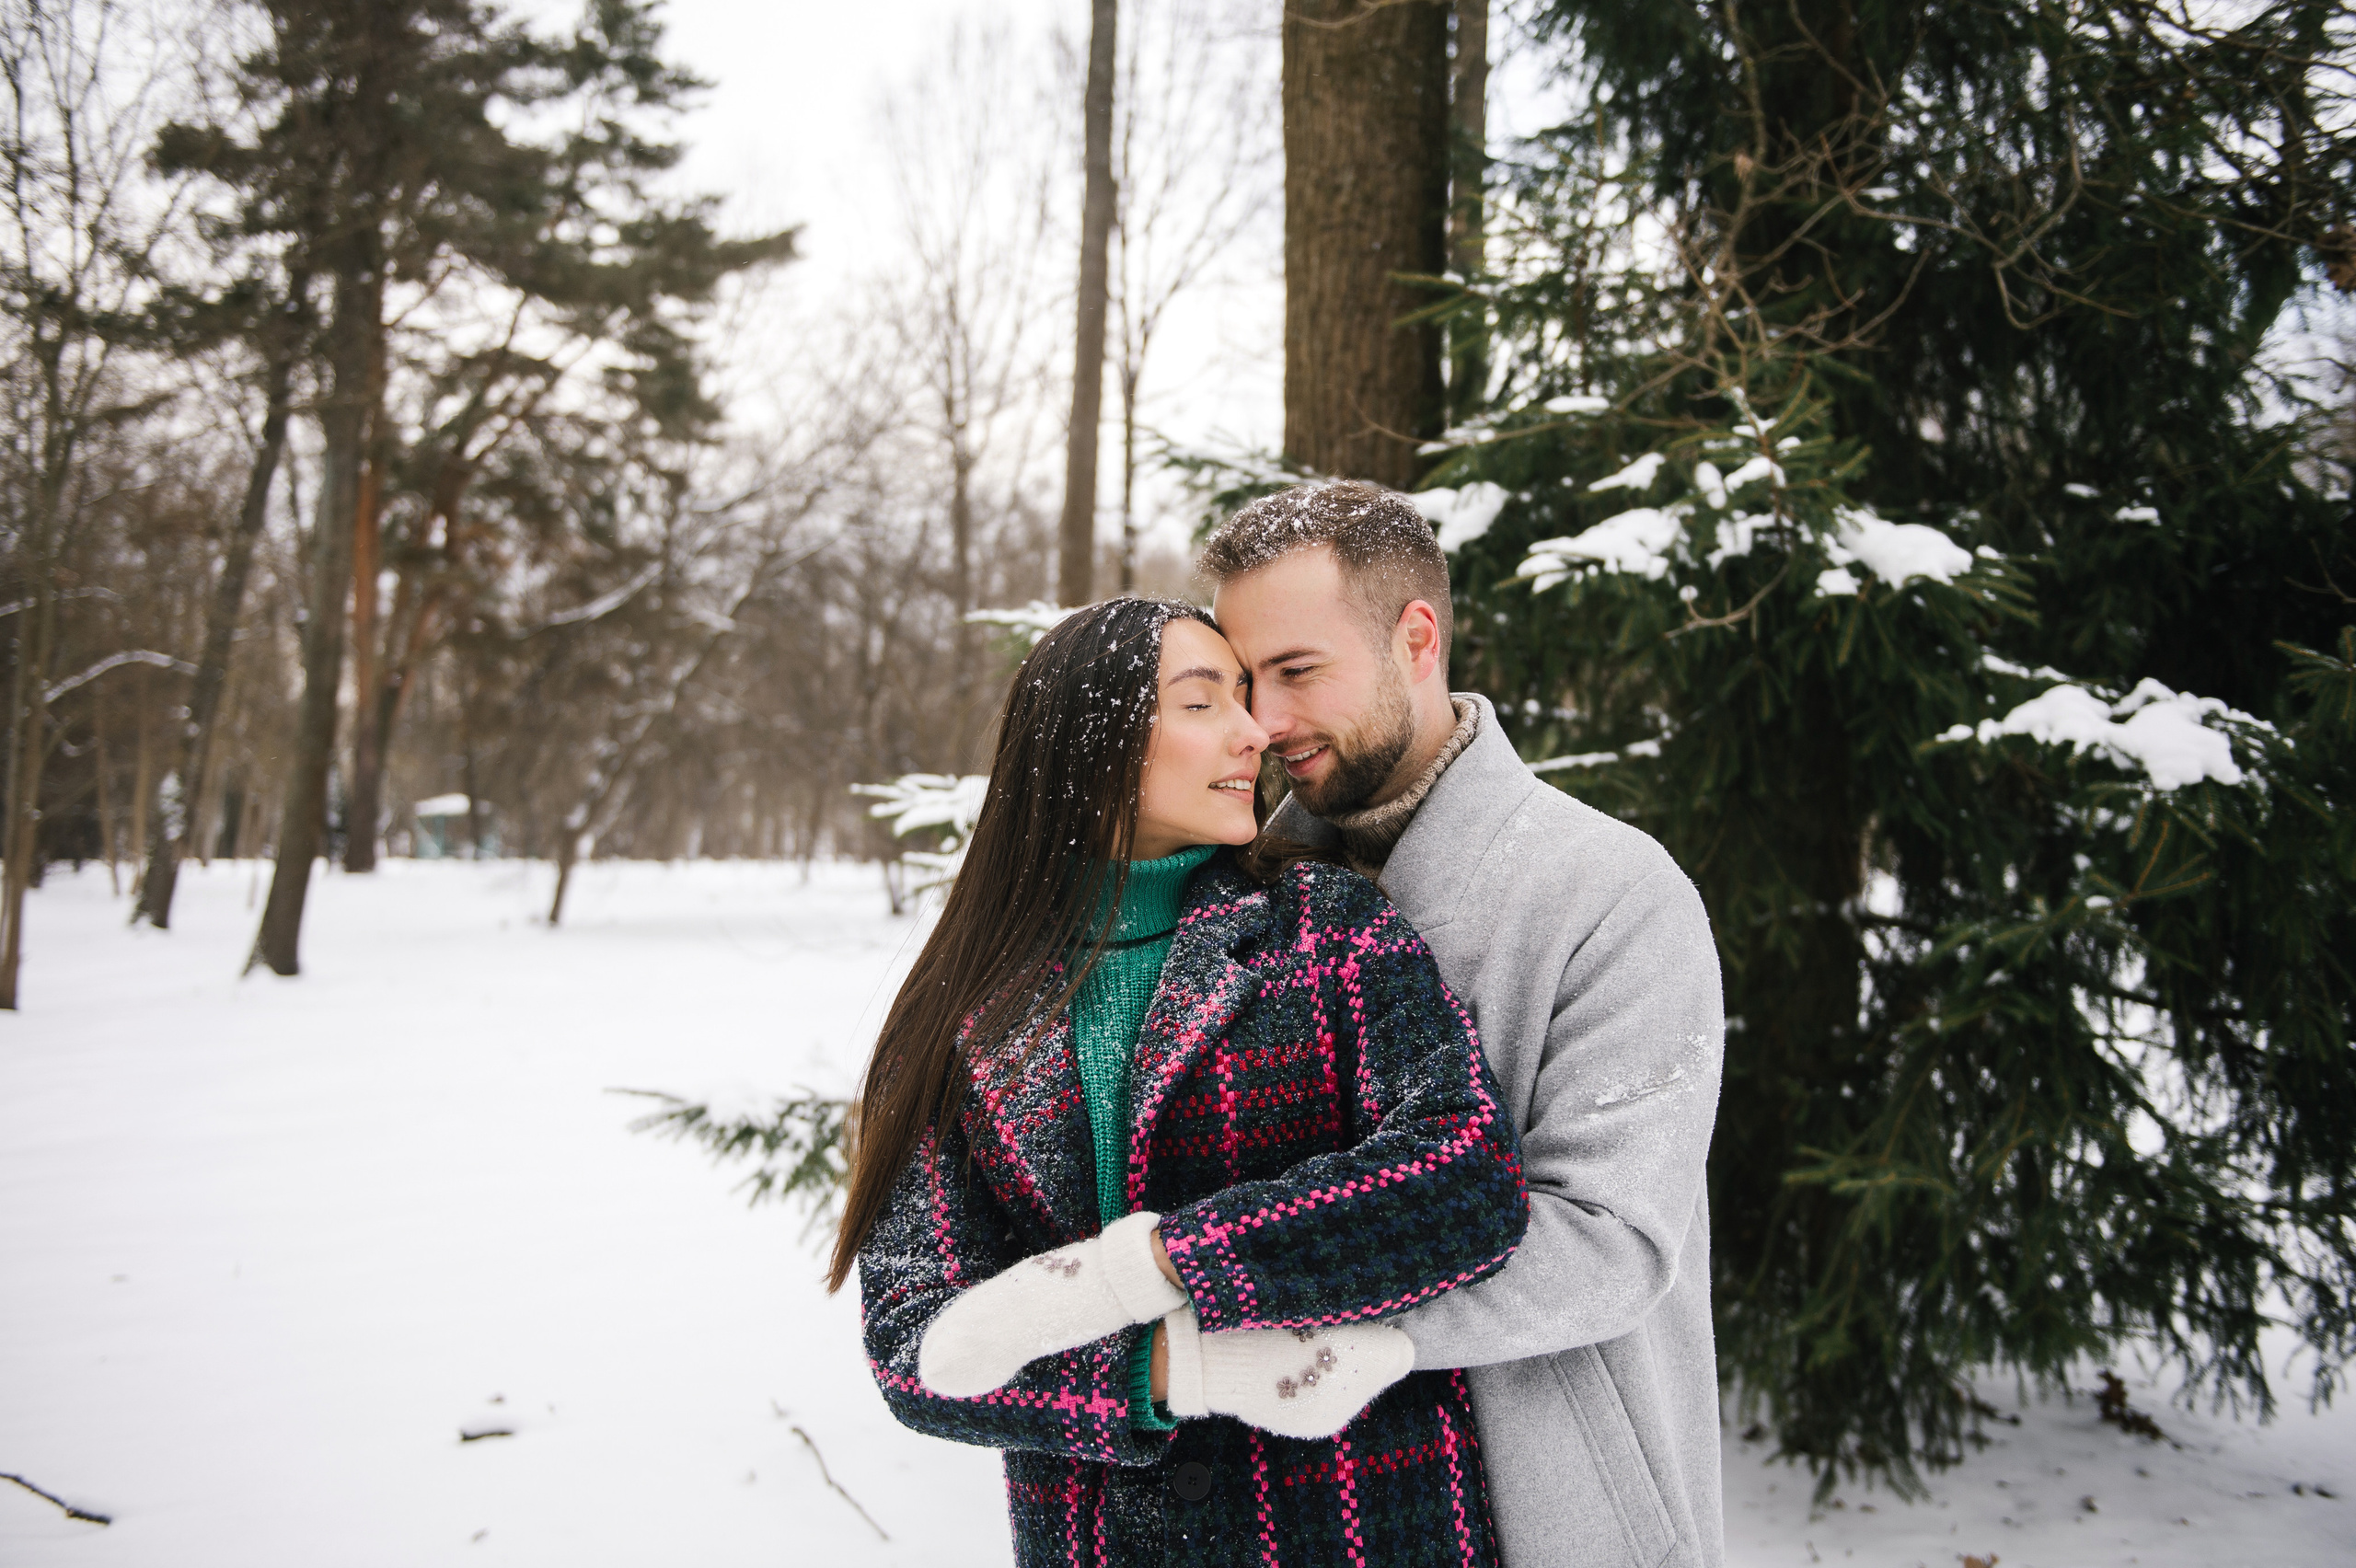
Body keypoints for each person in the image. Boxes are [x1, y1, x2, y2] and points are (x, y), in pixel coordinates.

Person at [834, 595, 1531, 1566]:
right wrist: (1181, 1368)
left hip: (1361, 1525)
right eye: (1204, 703)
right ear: (1092, 740)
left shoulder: (1324, 928)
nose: (1256, 733)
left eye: (1246, 700)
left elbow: (1465, 1181)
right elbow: (917, 1348)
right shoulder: (956, 1011)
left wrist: (1147, 1268)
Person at [1201, 480, 1728, 1568]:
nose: (1268, 720)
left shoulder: (1611, 891)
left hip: (1550, 1501)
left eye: (1297, 670)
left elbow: (1610, 1242)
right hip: (1282, 1506)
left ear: (1417, 638)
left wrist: (1288, 1308)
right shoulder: (1236, 896)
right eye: (1246, 680)